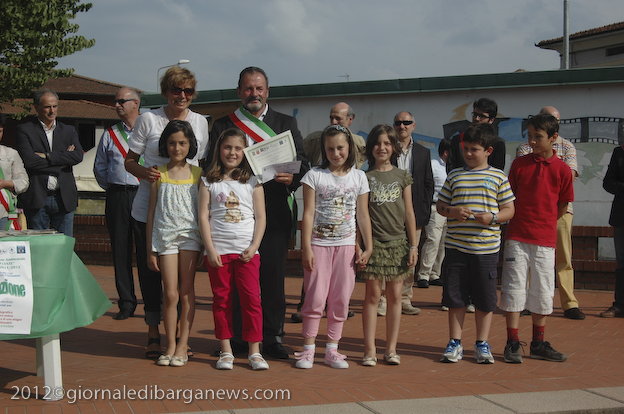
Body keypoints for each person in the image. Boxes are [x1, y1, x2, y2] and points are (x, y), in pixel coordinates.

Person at [208, 67, 308, 360]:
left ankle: (273, 338)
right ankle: (238, 338)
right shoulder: (223, 124)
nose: (254, 94)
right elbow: (210, 164)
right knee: (235, 282)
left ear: (268, 91)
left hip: (273, 212)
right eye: (249, 89)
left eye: (259, 88)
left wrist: (293, 177)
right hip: (232, 218)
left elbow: (303, 161)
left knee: (272, 279)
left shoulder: (286, 123)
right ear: (239, 91)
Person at [125, 67, 209, 360]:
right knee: (152, 277)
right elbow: (129, 161)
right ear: (165, 92)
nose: (182, 96)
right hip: (151, 210)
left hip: (187, 215)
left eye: (188, 91)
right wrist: (147, 174)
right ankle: (153, 333)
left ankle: (179, 339)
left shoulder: (200, 122)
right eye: (176, 90)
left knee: (182, 287)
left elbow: (201, 165)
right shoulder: (148, 119)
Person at [295, 124, 373, 369]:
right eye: (330, 149)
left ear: (349, 147)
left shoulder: (359, 177)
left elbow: (362, 215)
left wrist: (368, 246)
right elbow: (308, 213)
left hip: (346, 247)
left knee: (340, 299)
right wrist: (306, 248)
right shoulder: (314, 176)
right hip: (318, 245)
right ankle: (308, 350)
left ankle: (332, 350)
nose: (336, 153)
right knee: (315, 297)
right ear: (324, 149)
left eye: (340, 148)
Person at [436, 123, 515, 364]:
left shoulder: (498, 177)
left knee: (485, 298)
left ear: (488, 151)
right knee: (455, 297)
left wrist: (493, 218)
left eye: (475, 149)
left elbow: (509, 210)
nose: (469, 153)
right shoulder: (455, 176)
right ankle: (455, 342)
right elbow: (441, 206)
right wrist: (452, 211)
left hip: (486, 250)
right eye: (466, 149)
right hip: (456, 249)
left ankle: (482, 343)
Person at [500, 114, 574, 364]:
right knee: (513, 288)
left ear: (553, 138)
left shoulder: (563, 169)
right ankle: (512, 342)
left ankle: (538, 343)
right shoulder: (519, 165)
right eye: (529, 136)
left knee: (542, 291)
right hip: (517, 237)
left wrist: (544, 223)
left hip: (545, 240)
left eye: (538, 137)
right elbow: (508, 198)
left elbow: (563, 205)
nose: (532, 141)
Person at [199, 128, 269, 371]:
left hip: (247, 253)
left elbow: (261, 217)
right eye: (227, 147)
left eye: (238, 148)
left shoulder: (253, 182)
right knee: (222, 301)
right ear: (219, 149)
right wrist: (209, 249)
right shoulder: (208, 181)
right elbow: (203, 217)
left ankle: (255, 351)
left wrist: (254, 246)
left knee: (252, 300)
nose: (232, 152)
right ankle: (226, 350)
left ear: (245, 152)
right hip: (218, 253)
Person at [516, 106, 584, 320]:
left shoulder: (568, 146)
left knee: (563, 256)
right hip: (530, 213)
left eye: (554, 120)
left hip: (560, 210)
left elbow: (569, 174)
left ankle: (569, 303)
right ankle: (527, 301)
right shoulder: (525, 147)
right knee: (528, 257)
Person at [360, 125, 419, 367]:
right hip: (374, 245)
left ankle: (391, 349)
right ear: (370, 148)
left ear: (394, 147)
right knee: (373, 296)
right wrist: (362, 246)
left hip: (398, 244)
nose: (382, 148)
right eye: (377, 143)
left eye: (387, 143)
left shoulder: (402, 176)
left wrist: (413, 246)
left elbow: (409, 213)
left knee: (395, 296)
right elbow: (361, 214)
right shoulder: (365, 177)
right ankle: (369, 350)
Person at [146, 120, 202, 367]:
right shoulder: (158, 173)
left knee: (186, 291)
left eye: (182, 143)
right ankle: (169, 345)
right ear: (165, 145)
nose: (177, 148)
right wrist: (150, 248)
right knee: (170, 293)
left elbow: (204, 212)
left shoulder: (199, 174)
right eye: (172, 143)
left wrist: (205, 245)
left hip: (191, 237)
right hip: (164, 237)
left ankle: (182, 345)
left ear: (190, 145)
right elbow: (151, 212)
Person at [378, 111, 434, 316]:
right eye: (398, 123)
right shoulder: (387, 149)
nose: (402, 126)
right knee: (386, 255)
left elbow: (428, 183)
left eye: (406, 122)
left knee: (411, 256)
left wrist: (424, 209)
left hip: (414, 213)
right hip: (389, 212)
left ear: (413, 125)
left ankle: (404, 298)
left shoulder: (423, 152)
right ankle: (384, 299)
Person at [93, 87, 141, 320]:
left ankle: (155, 302)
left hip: (144, 194)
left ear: (135, 103)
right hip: (118, 195)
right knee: (120, 250)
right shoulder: (110, 134)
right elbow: (100, 168)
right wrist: (115, 187)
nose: (117, 105)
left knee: (147, 250)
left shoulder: (150, 130)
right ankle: (126, 303)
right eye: (116, 101)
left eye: (122, 101)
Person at [16, 89, 83, 236]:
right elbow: (29, 161)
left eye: (55, 106)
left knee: (64, 245)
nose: (52, 111)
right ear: (37, 107)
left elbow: (78, 156)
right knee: (39, 245)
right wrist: (62, 162)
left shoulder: (68, 130)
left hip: (64, 198)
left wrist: (47, 156)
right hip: (37, 198)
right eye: (47, 107)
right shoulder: (25, 130)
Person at [417, 138, 451, 289]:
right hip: (435, 207)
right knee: (433, 240)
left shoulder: (454, 168)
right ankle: (423, 275)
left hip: (451, 209)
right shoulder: (433, 165)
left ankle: (434, 274)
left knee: (444, 242)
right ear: (446, 152)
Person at [447, 98, 506, 172]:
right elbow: (450, 168)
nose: (477, 119)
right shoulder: (458, 139)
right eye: (475, 114)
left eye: (482, 116)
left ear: (491, 120)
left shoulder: (498, 143)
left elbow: (497, 170)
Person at [303, 102, 367, 168]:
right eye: (331, 118)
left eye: (338, 118)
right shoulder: (315, 140)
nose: (334, 122)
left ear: (350, 119)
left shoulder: (359, 143)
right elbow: (300, 159)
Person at [600, 144, 624, 318]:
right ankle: (620, 305)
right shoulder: (619, 152)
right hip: (621, 216)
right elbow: (608, 182)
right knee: (622, 263)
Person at [0, 114, 29, 230]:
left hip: (3, 214)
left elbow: (24, 182)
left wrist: (4, 184)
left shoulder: (11, 153)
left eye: (0, 131)